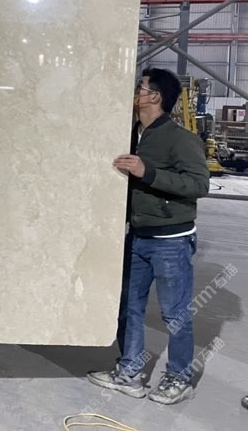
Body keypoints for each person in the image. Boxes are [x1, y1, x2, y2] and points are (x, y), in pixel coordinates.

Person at [87, 68, 210, 405]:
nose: (134, 92)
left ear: (154, 96)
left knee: (175, 314)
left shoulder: (180, 139)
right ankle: (129, 372)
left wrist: (148, 172)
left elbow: (199, 184)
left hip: (171, 239)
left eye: (139, 87)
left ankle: (179, 378)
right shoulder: (129, 134)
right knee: (129, 307)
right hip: (137, 236)